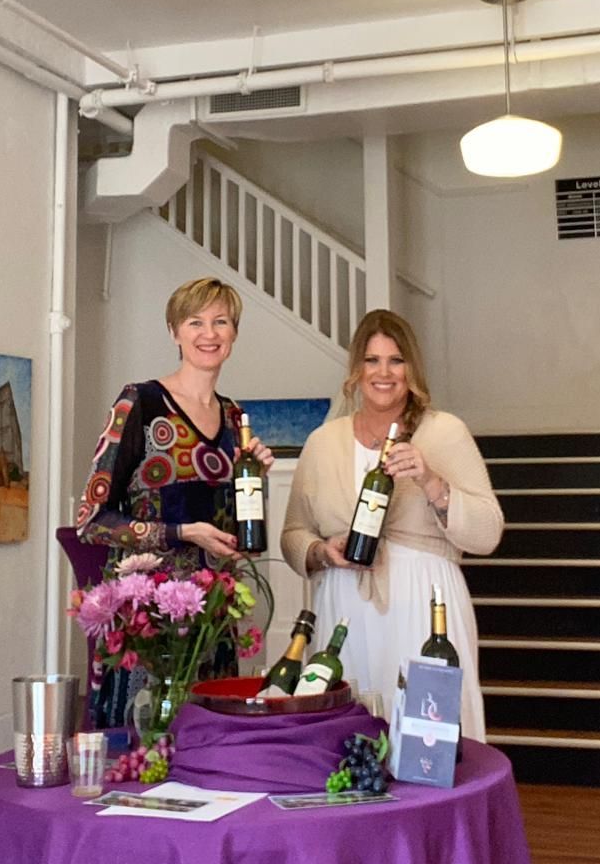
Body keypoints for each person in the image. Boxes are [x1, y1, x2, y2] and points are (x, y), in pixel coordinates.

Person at [280, 309, 504, 739]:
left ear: (411, 369)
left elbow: (488, 532)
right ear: (356, 370)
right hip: (344, 603)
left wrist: (430, 480)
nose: (384, 372)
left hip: (423, 602)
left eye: (396, 360)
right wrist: (320, 552)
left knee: (429, 737)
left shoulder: (445, 433)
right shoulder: (323, 441)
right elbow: (292, 534)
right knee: (346, 733)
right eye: (372, 360)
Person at [76, 276, 274, 562]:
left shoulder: (234, 416)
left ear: (234, 333)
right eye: (195, 322)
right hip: (148, 600)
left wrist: (253, 477)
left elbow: (233, 528)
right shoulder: (141, 402)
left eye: (221, 321)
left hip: (219, 598)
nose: (210, 334)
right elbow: (91, 522)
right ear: (174, 332)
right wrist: (181, 532)